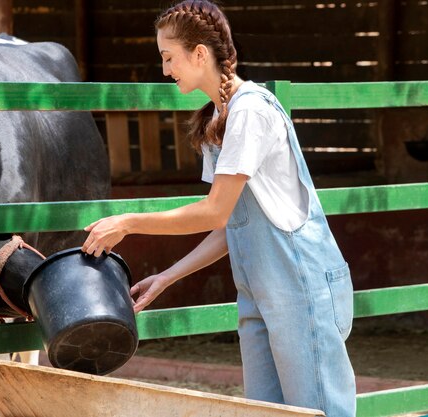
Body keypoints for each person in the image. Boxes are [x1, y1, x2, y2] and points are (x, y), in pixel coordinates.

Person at [81, 1, 356, 415]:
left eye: (168, 57)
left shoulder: (250, 111)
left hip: (302, 290)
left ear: (199, 54)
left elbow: (214, 211)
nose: (165, 69)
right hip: (259, 295)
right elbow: (231, 225)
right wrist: (167, 277)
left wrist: (128, 223)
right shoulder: (219, 117)